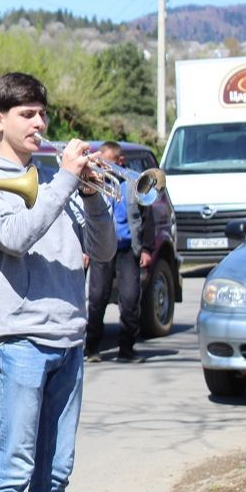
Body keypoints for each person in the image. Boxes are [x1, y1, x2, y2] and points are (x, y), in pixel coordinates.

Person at [0, 72, 115, 492]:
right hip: (21, 341)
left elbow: (105, 251)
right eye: (27, 114)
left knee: (57, 472)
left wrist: (89, 195)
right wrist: (68, 179)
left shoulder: (53, 180)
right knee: (16, 470)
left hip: (70, 340)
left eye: (43, 113)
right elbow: (16, 237)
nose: (39, 123)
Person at [85, 141, 154, 364]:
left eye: (108, 163)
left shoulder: (133, 183)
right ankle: (92, 348)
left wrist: (146, 248)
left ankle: (127, 350)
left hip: (127, 249)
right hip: (101, 249)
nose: (103, 168)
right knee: (96, 298)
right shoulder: (93, 183)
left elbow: (147, 217)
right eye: (100, 163)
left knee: (131, 299)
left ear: (120, 161)